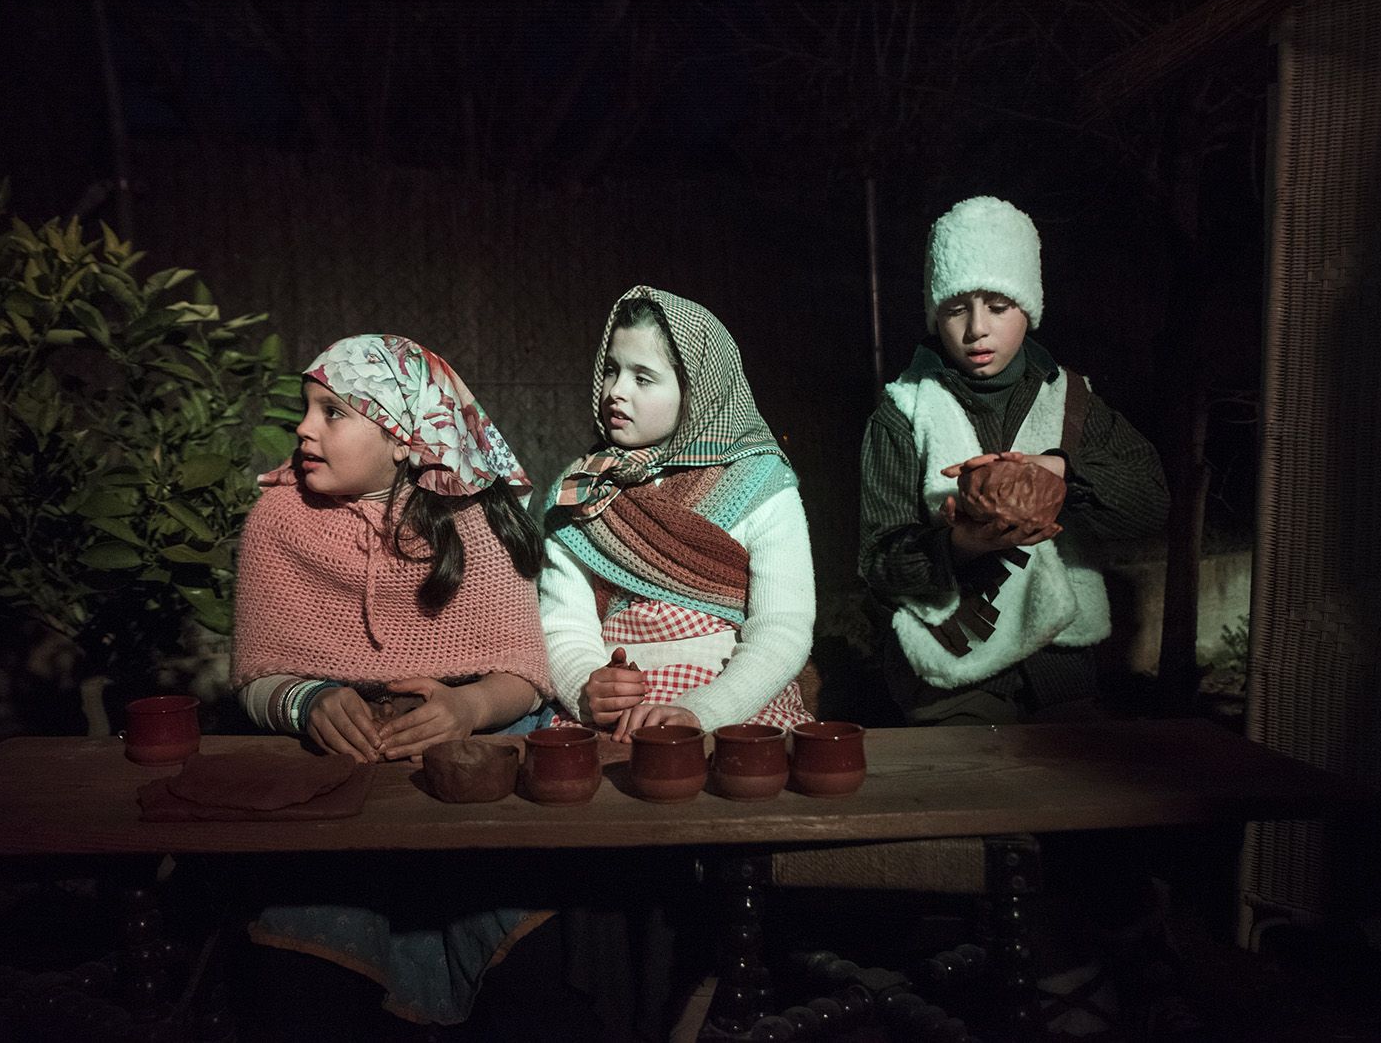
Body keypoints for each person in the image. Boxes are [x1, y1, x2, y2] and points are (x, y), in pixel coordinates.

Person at [228, 333, 588, 1037]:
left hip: (466, 756)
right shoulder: (278, 519)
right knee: (315, 968)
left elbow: (525, 672)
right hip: (342, 769)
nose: (303, 427)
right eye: (306, 409)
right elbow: (254, 675)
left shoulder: (474, 519)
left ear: (402, 437)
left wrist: (469, 704)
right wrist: (306, 701)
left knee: (514, 951)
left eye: (332, 412)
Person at [859, 195, 1168, 726]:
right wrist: (958, 545)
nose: (977, 328)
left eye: (998, 306)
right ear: (936, 314)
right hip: (952, 671)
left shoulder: (1074, 402)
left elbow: (1152, 507)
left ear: (1030, 307)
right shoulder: (904, 412)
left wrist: (1065, 474)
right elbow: (877, 564)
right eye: (957, 308)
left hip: (1062, 666)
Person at [539, 286, 816, 741]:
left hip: (735, 709)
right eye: (611, 370)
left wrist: (703, 711)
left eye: (643, 378)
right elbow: (564, 624)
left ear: (697, 390)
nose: (615, 392)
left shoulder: (760, 483)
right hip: (617, 722)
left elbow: (781, 628)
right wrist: (586, 687)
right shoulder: (579, 491)